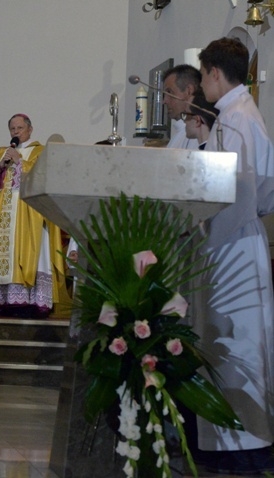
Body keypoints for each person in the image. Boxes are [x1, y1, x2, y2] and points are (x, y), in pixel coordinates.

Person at [193, 37, 274, 475]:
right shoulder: (238, 115)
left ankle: (242, 446)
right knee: (237, 341)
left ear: (214, 74)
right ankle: (233, 441)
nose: (201, 84)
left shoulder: (237, 119)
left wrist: (202, 235)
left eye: (202, 75)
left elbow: (240, 196)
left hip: (232, 244)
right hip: (239, 240)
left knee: (237, 342)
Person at [0, 114, 70, 317]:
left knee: (28, 252)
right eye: (12, 129)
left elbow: (45, 177)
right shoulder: (1, 153)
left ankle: (31, 300)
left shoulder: (41, 152)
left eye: (19, 128)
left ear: (30, 129)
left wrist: (21, 163)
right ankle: (1, 298)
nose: (16, 132)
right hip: (2, 213)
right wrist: (0, 167)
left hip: (29, 214)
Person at [162, 64, 201, 149]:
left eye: (169, 92)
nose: (164, 101)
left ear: (189, 91)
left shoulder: (197, 134)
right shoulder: (179, 134)